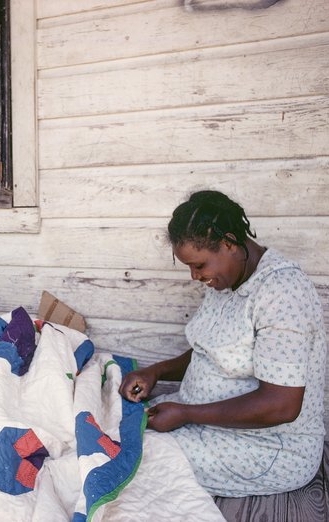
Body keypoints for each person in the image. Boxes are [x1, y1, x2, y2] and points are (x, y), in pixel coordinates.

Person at [119, 189, 326, 497]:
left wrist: (187, 414)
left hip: (267, 448)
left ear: (229, 243)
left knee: (127, 456)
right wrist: (157, 372)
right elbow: (211, 350)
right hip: (204, 421)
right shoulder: (228, 280)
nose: (194, 276)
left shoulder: (282, 293)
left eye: (199, 265)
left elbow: (282, 405)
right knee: (116, 419)